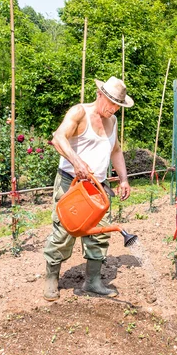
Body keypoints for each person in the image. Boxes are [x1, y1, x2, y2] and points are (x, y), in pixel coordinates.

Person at [43, 76, 133, 301]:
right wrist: (76, 162)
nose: (114, 109)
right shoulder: (79, 113)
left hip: (98, 188)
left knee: (100, 233)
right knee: (64, 231)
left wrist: (123, 179)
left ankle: (92, 282)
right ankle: (52, 278)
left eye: (118, 106)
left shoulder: (112, 122)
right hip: (72, 185)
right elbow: (58, 137)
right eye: (111, 103)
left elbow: (116, 151)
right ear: (100, 95)